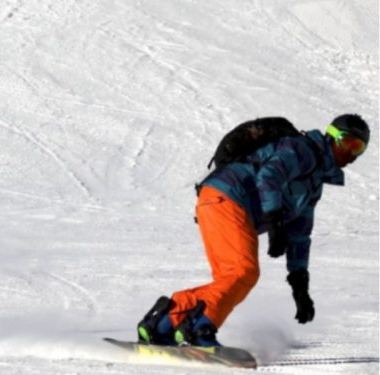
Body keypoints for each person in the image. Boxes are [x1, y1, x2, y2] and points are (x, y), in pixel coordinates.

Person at [136, 114, 371, 347]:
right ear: (332, 136)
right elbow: (270, 175)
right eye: (349, 143)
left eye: (359, 148)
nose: (352, 154)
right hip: (227, 197)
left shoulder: (314, 183)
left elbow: (300, 234)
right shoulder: (302, 150)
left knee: (232, 279)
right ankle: (199, 329)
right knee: (243, 272)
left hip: (217, 201)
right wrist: (274, 220)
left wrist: (300, 285)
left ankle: (163, 324)